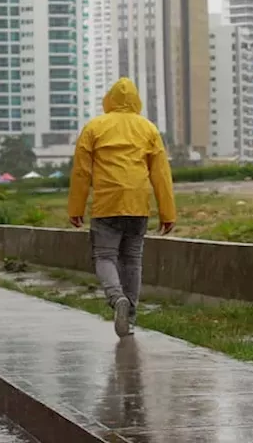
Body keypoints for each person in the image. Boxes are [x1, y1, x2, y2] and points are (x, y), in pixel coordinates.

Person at [67, 77, 177, 337]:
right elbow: (161, 173)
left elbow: (82, 172)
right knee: (133, 260)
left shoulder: (94, 127)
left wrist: (76, 208)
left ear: (110, 98)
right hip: (138, 203)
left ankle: (117, 300)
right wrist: (167, 212)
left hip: (107, 203)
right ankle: (131, 317)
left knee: (105, 256)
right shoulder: (148, 129)